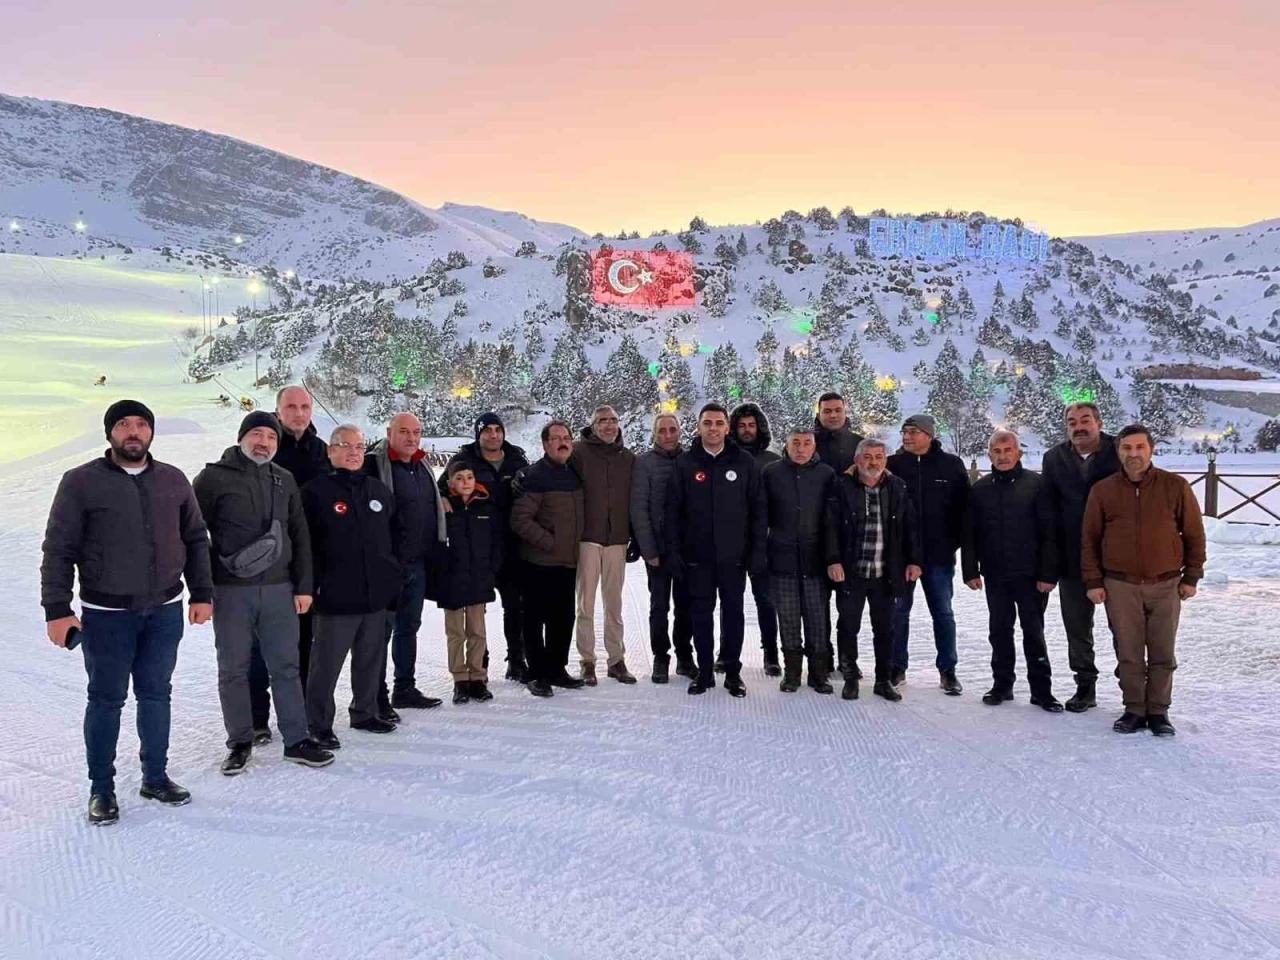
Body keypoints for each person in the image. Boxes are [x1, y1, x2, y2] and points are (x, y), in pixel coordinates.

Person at [41, 400, 213, 825]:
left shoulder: (173, 479)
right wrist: (57, 609)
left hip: (164, 611)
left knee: (156, 694)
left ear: (151, 432)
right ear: (109, 433)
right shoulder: (81, 482)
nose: (133, 431)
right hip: (106, 614)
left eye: (141, 424)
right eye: (123, 424)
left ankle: (155, 776)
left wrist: (202, 593)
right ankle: (101, 789)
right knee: (106, 700)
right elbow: (59, 548)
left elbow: (195, 538)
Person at [193, 412, 334, 775]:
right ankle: (240, 742)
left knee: (286, 666)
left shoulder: (283, 479)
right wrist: (202, 590)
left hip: (279, 589)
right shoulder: (212, 479)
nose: (264, 443)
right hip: (231, 591)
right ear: (241, 438)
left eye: (271, 438)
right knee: (233, 669)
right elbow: (193, 536)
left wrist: (304, 586)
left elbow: (299, 534)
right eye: (256, 434)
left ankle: (296, 739)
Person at [1081, 424, 1205, 737]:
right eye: (1127, 448)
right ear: (1118, 451)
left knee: (1163, 651)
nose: (1133, 453)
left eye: (1140, 447)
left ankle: (1159, 711)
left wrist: (1191, 575)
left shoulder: (1175, 486)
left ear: (1151, 450)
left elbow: (1194, 534)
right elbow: (1089, 540)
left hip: (1166, 583)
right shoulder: (1103, 490)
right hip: (1120, 584)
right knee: (1129, 652)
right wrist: (1093, 581)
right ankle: (1134, 708)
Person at [301, 425, 403, 748]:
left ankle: (364, 712)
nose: (354, 452)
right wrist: (313, 586)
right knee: (326, 666)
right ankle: (318, 723)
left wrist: (392, 577)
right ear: (331, 451)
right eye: (345, 446)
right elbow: (305, 546)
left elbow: (394, 537)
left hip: (374, 595)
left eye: (359, 446)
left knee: (370, 660)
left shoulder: (377, 490)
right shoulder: (315, 492)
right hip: (335, 597)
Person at [664, 403, 767, 697]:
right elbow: (672, 511)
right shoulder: (685, 463)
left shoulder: (743, 462)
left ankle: (732, 672)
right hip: (697, 558)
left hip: (734, 557)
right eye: (707, 423)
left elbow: (758, 510)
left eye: (719, 423)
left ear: (727, 428)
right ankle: (705, 672)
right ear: (699, 427)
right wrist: (673, 551)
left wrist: (757, 551)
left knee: (733, 614)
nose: (713, 428)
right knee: (700, 615)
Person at [962, 430, 1063, 712]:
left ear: (1018, 453)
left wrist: (1048, 574)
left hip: (1031, 574)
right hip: (995, 573)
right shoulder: (980, 489)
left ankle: (1042, 690)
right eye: (997, 451)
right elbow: (969, 533)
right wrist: (970, 570)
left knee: (1034, 633)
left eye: (1008, 450)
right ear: (989, 455)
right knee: (999, 631)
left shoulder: (1037, 485)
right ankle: (1002, 685)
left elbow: (1050, 533)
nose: (1003, 456)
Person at [1040, 401, 1122, 712]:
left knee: (1124, 629)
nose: (1078, 427)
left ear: (1099, 423)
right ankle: (1085, 685)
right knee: (1077, 629)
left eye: (1085, 420)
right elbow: (1048, 513)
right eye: (1072, 422)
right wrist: (1049, 565)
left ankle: (1131, 687)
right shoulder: (1054, 458)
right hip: (1071, 557)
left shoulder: (1119, 451)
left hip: (1115, 558)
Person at [825, 438, 921, 701]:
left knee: (885, 628)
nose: (873, 462)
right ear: (857, 460)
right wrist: (833, 560)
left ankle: (883, 680)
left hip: (885, 572)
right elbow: (830, 526)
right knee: (848, 626)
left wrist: (914, 560)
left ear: (885, 460)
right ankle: (850, 677)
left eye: (879, 457)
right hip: (852, 571)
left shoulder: (897, 486)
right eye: (867, 457)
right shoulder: (842, 486)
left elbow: (910, 526)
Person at [366, 412, 446, 714]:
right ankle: (375, 695)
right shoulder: (375, 465)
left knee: (408, 627)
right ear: (389, 433)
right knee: (380, 632)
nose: (411, 438)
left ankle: (405, 688)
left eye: (416, 432)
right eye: (404, 431)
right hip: (387, 565)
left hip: (418, 562)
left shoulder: (421, 465)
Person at [441, 412, 530, 680]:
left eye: (497, 430)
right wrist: (443, 499)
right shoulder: (464, 460)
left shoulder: (516, 459)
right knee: (476, 608)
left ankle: (516, 659)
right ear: (478, 434)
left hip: (512, 544)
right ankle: (480, 663)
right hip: (476, 546)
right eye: (487, 430)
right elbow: (442, 487)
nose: (493, 435)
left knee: (515, 606)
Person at [887, 414, 970, 696]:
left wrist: (951, 543)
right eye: (904, 431)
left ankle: (948, 670)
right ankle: (896, 666)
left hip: (938, 555)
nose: (907, 436)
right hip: (901, 556)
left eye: (914, 431)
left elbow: (964, 509)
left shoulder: (951, 465)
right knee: (898, 613)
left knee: (943, 613)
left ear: (929, 435)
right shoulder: (893, 465)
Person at [511, 421, 587, 698]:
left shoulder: (573, 473)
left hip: (567, 562)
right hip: (538, 563)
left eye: (566, 437)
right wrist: (550, 542)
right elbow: (520, 519)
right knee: (534, 619)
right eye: (555, 438)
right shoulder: (534, 476)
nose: (562, 442)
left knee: (563, 619)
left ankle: (556, 669)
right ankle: (536, 673)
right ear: (545, 444)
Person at [761, 426, 836, 693]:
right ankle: (792, 673)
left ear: (814, 447)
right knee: (789, 618)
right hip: (781, 559)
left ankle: (818, 674)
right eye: (796, 443)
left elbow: (832, 519)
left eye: (806, 443)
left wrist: (833, 557)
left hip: (815, 560)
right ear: (787, 445)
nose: (801, 448)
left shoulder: (826, 474)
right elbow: (761, 515)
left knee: (817, 619)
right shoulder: (771, 472)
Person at [571, 405, 637, 685]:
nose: (609, 425)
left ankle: (616, 659)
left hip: (617, 538)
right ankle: (587, 660)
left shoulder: (628, 458)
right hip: (588, 537)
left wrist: (634, 535)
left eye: (613, 420)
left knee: (614, 603)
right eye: (603, 421)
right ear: (593, 425)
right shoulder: (578, 453)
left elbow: (635, 499)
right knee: (585, 603)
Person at [630, 412, 695, 683]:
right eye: (662, 431)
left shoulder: (690, 460)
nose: (668, 435)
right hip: (657, 548)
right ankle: (660, 656)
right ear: (654, 434)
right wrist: (649, 550)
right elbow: (639, 508)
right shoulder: (644, 463)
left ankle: (684, 655)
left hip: (686, 548)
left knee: (685, 605)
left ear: (679, 431)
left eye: (672, 430)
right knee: (659, 607)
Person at [438, 463, 503, 704]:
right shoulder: (443, 508)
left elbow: (497, 542)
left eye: (469, 477)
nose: (466, 482)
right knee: (455, 632)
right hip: (452, 580)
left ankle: (477, 677)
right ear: (450, 483)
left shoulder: (486, 507)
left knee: (477, 630)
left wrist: (492, 569)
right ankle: (460, 679)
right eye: (459, 478)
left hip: (479, 578)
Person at [729, 401, 781, 676]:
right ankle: (727, 652)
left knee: (766, 600)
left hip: (765, 541)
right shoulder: (726, 458)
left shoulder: (772, 461)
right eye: (741, 426)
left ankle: (771, 653)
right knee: (731, 600)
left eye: (751, 425)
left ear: (760, 427)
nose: (747, 430)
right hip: (731, 541)